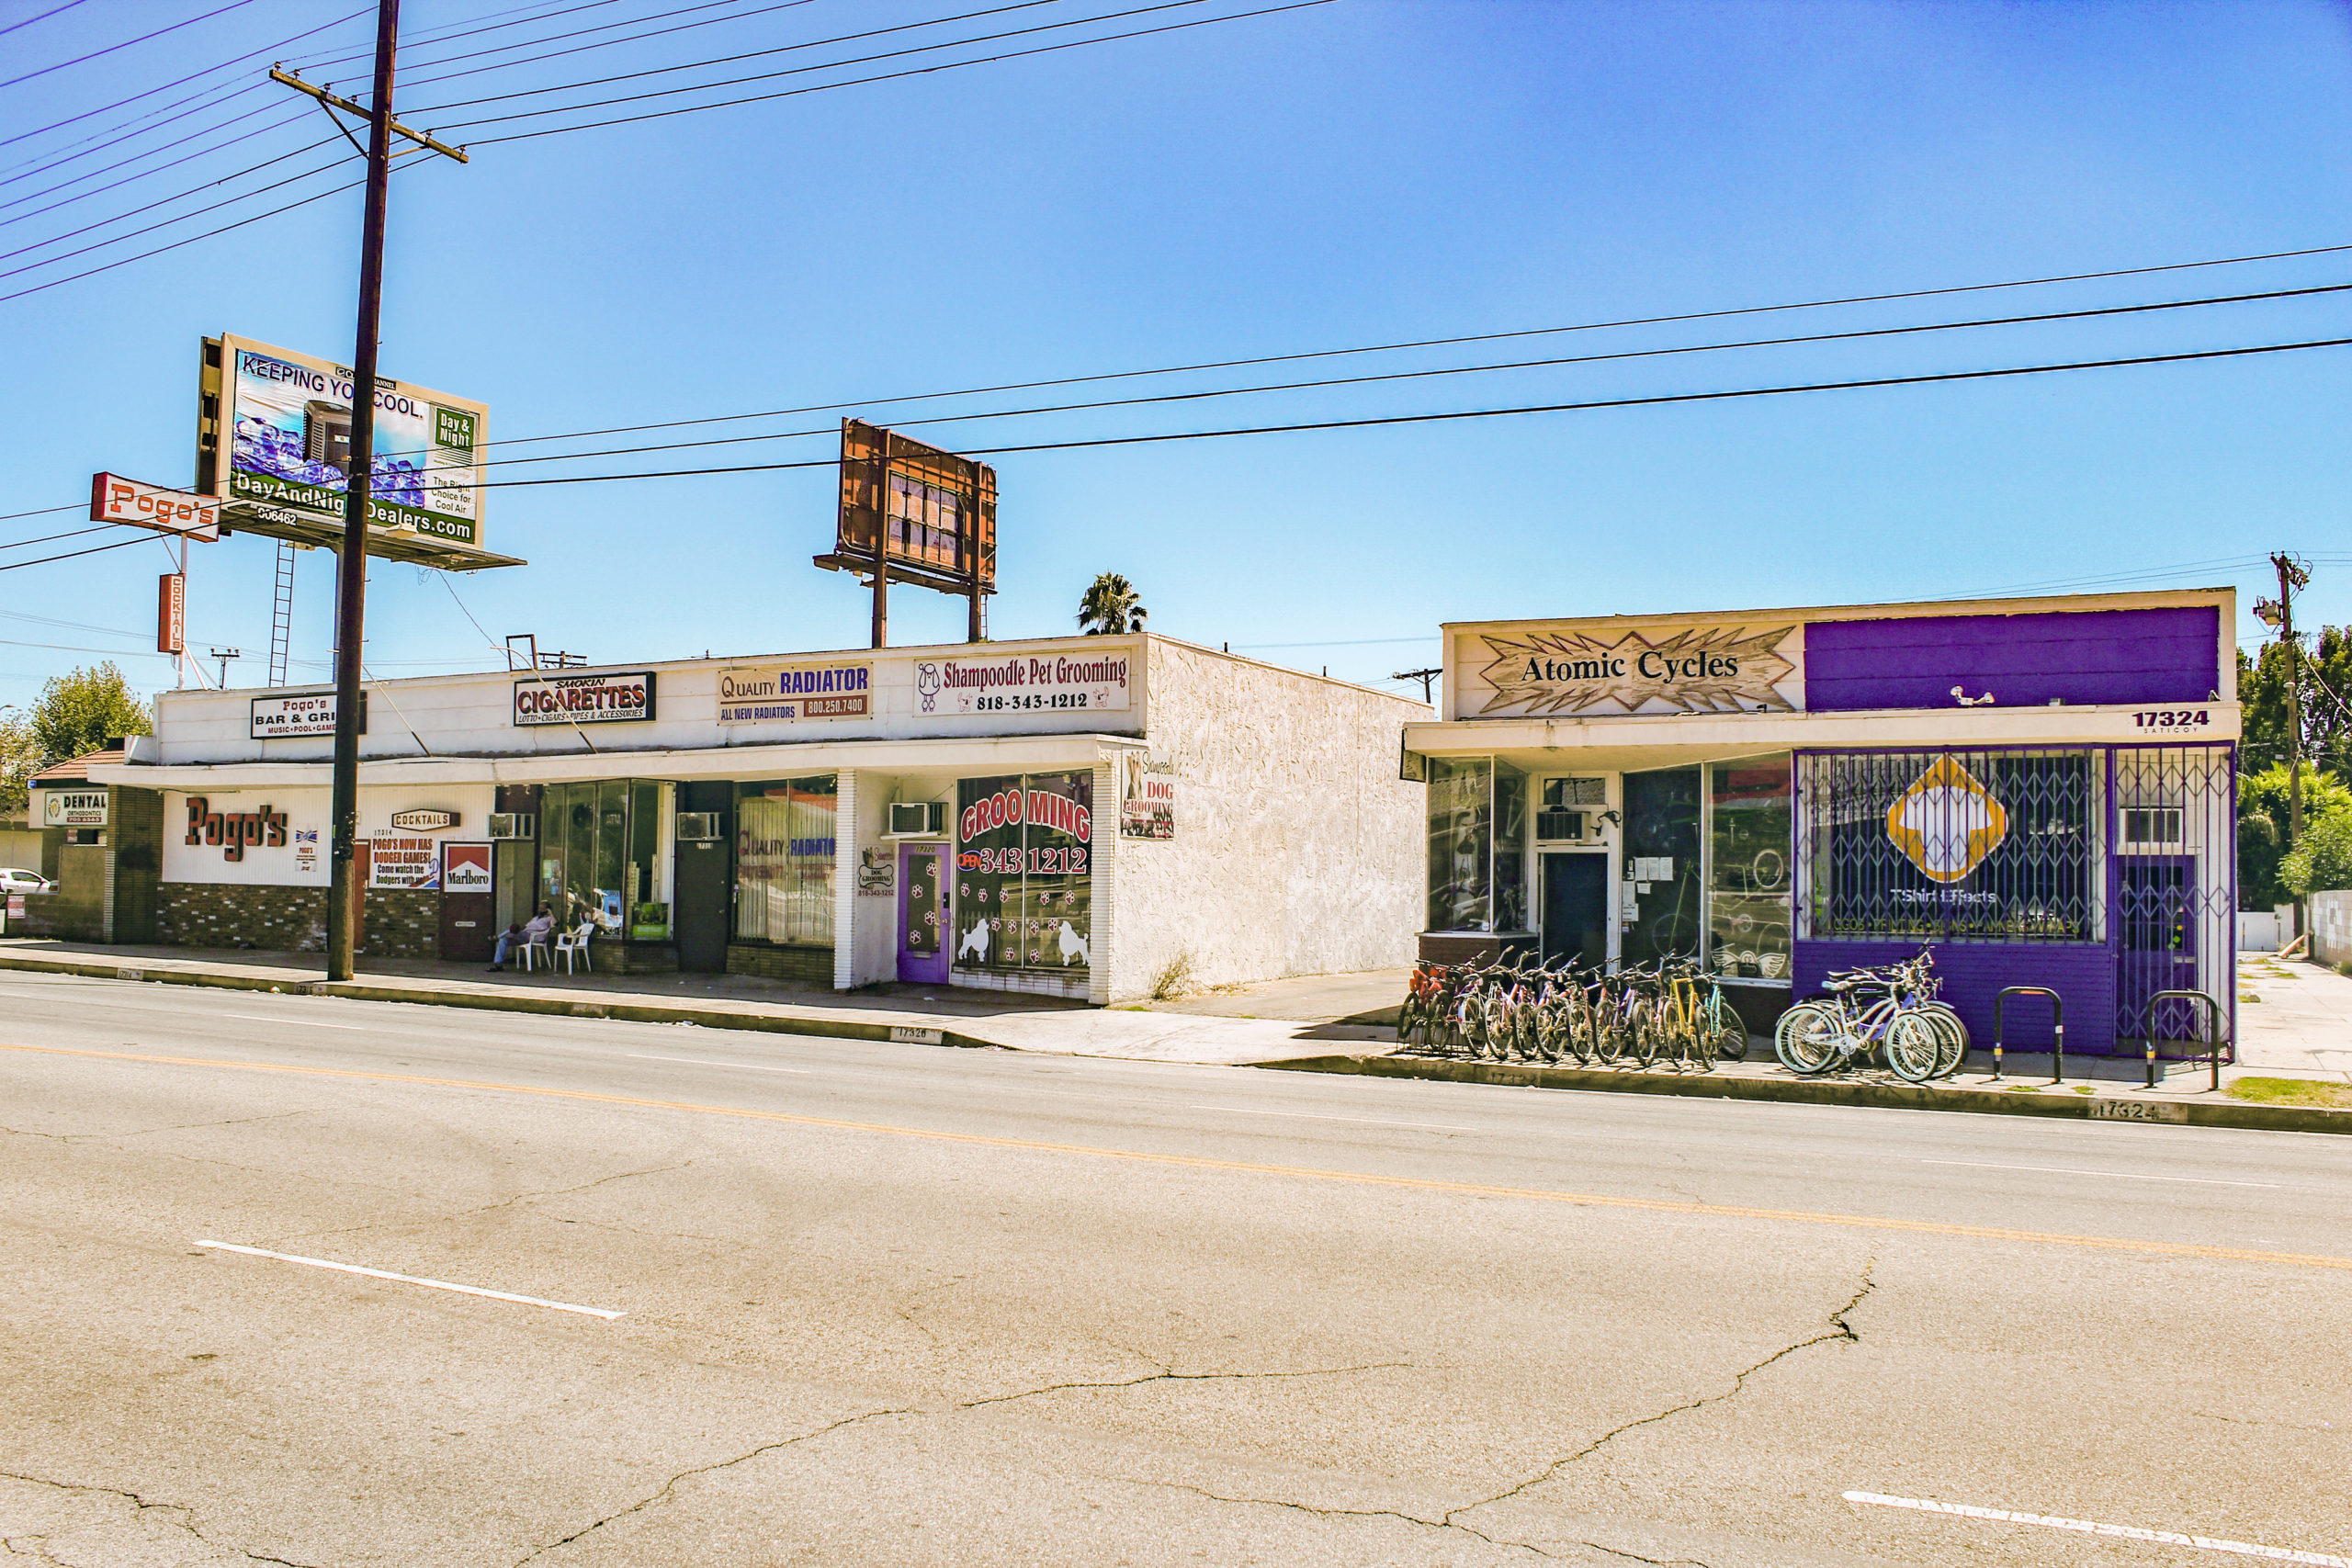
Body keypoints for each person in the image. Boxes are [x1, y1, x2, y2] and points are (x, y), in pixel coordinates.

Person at [489, 906, 553, 972]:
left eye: (542, 908)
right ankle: (498, 964)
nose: (539, 910)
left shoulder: (549, 918)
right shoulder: (535, 918)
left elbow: (556, 923)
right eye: (539, 908)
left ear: (547, 910)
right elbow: (525, 927)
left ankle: (498, 937)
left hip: (531, 937)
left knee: (514, 928)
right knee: (503, 940)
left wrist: (551, 913)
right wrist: (519, 930)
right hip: (523, 936)